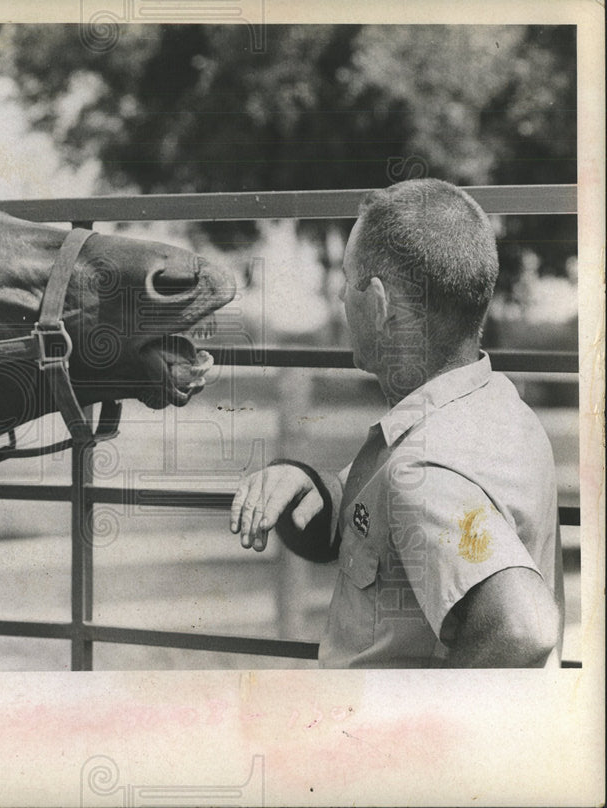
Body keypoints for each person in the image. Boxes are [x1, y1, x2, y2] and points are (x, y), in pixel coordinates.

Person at [230, 178, 563, 668]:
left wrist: (424, 733)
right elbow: (372, 522)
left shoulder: (422, 468)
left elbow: (521, 629)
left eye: (348, 281)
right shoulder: (495, 409)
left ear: (381, 306)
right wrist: (304, 482)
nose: (341, 298)